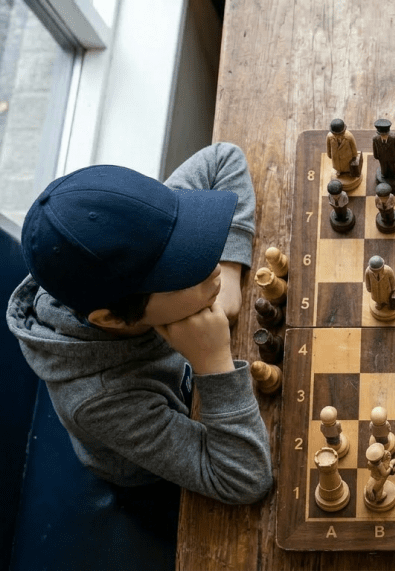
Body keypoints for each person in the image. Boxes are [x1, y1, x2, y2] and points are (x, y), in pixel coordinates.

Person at [6, 143, 272, 504]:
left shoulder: (148, 237)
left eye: (189, 243)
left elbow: (224, 158)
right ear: (111, 319)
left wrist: (229, 272)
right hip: (151, 474)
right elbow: (244, 479)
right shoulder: (101, 399)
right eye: (181, 274)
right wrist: (214, 365)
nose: (209, 266)